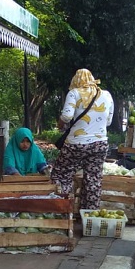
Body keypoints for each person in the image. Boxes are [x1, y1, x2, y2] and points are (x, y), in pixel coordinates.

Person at [51, 68, 115, 210]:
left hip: (76, 144)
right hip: (100, 144)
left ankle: (63, 209)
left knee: (62, 173)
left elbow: (67, 116)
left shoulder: (74, 93)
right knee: (93, 180)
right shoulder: (106, 95)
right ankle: (89, 215)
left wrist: (60, 123)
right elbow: (108, 121)